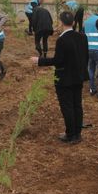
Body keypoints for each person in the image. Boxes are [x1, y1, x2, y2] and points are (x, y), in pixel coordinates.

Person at [32, 11, 88, 144]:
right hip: (78, 77)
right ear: (73, 22)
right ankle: (77, 133)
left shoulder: (62, 40)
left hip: (65, 79)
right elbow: (85, 57)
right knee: (77, 105)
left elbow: (58, 60)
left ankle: (70, 134)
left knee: (67, 107)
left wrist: (39, 60)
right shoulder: (82, 37)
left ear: (61, 23)